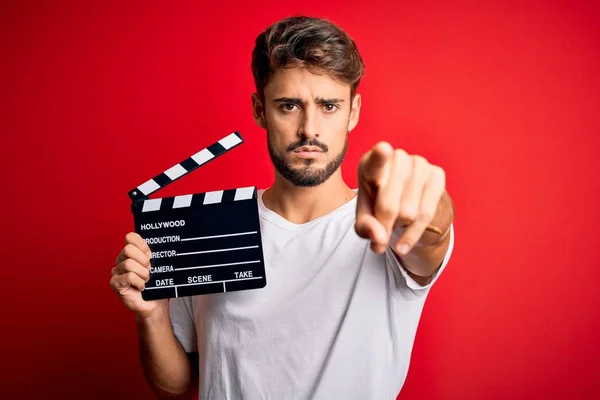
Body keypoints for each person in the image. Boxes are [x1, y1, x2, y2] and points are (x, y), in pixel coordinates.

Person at [110, 15, 455, 400]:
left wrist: (424, 196)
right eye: (289, 106)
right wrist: (151, 314)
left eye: (329, 106)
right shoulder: (212, 228)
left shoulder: (388, 224)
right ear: (260, 110)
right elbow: (176, 385)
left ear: (353, 111)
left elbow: (430, 236)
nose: (310, 128)